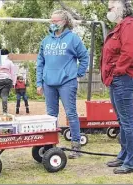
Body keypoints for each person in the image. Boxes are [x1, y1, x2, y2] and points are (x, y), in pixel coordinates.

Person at [36, 10, 89, 159]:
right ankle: (50, 146)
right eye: (51, 21)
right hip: (49, 83)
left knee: (71, 114)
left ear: (64, 21)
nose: (52, 23)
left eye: (56, 21)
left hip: (67, 82)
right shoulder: (46, 41)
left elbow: (84, 57)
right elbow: (40, 62)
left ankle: (76, 146)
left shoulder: (73, 39)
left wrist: (78, 74)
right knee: (51, 115)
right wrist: (39, 82)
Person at [100, 0, 133, 174]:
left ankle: (132, 162)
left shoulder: (130, 24)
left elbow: (128, 51)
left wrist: (118, 71)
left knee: (127, 122)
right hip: (117, 78)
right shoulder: (121, 26)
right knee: (122, 121)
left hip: (123, 77)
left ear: (121, 9)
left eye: (111, 7)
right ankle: (125, 155)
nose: (109, 10)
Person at [0, 49, 16, 115]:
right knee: (4, 96)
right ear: (7, 54)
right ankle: (4, 112)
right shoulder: (9, 62)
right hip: (6, 80)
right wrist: (13, 83)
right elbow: (13, 73)